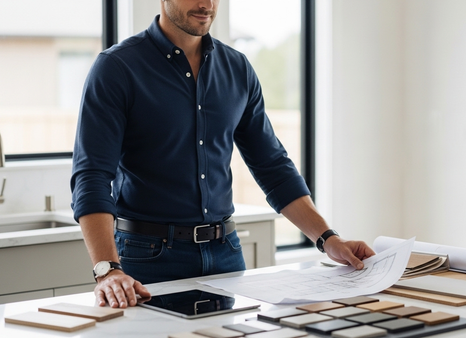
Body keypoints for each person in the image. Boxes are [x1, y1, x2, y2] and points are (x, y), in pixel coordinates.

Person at [71, 0, 375, 309]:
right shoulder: (117, 67)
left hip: (226, 253)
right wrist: (107, 270)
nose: (207, 4)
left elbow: (272, 166)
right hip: (147, 260)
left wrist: (328, 239)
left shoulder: (238, 68)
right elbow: (92, 175)